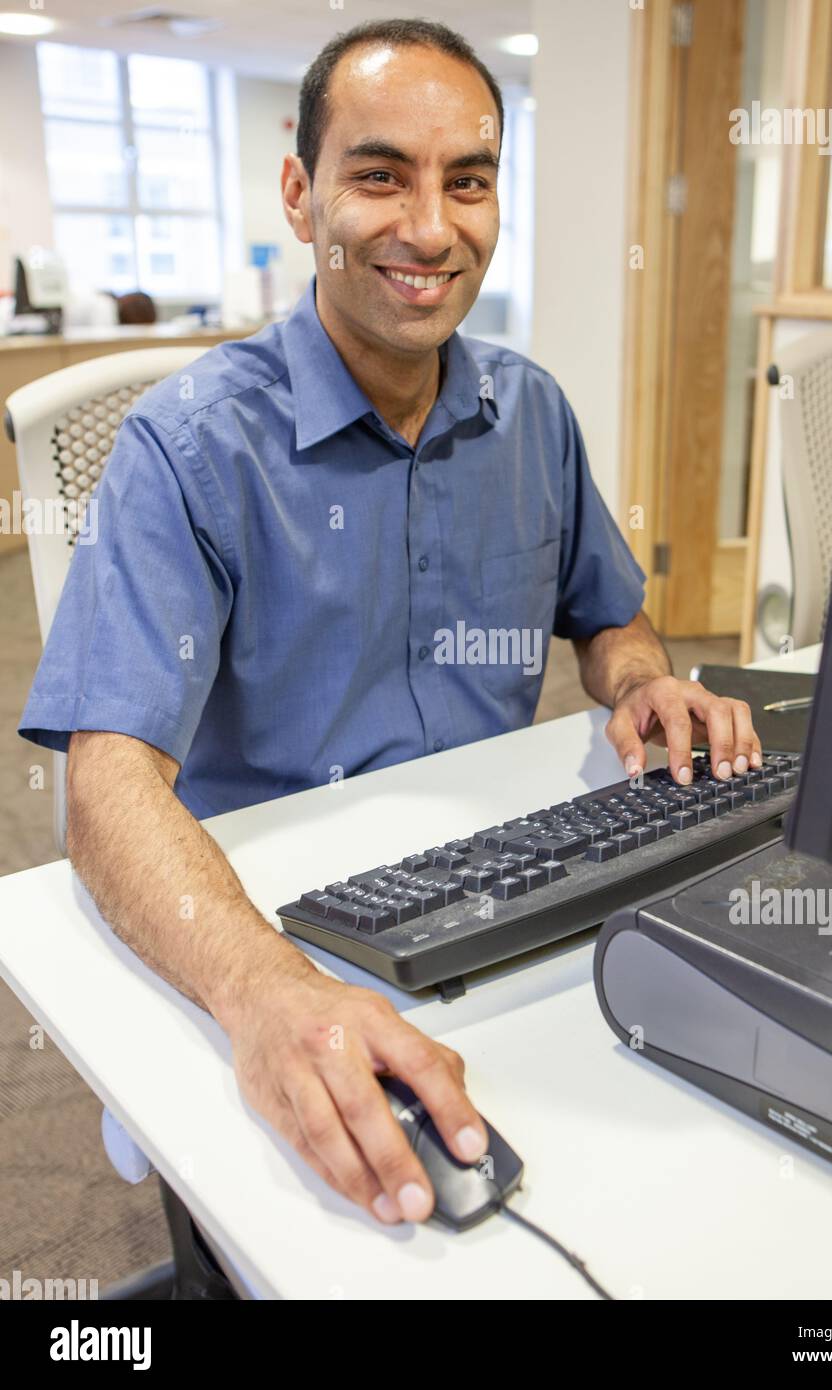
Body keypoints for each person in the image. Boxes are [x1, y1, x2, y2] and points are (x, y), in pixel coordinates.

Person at [20, 19, 762, 1228]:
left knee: (666, 1178)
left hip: (491, 895)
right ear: (301, 192)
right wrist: (265, 993)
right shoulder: (189, 448)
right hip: (267, 925)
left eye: (465, 180)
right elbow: (107, 791)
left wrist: (638, 688)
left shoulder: (529, 414)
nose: (429, 228)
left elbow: (611, 622)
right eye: (378, 175)